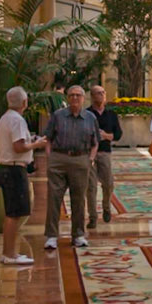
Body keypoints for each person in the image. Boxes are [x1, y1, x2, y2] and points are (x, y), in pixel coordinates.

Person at [43, 84, 98, 252]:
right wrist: (50, 157)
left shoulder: (90, 118)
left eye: (78, 95)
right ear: (67, 98)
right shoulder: (58, 116)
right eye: (72, 95)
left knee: (79, 199)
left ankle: (78, 235)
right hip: (58, 159)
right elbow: (48, 138)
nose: (75, 98)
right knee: (54, 198)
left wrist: (90, 159)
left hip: (81, 159)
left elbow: (95, 142)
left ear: (83, 99)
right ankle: (52, 236)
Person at [0, 85, 46, 264]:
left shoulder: (6, 118)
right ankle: (9, 254)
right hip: (15, 169)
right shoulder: (17, 120)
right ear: (25, 102)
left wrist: (30, 141)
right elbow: (18, 147)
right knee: (14, 213)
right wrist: (36, 145)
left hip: (8, 168)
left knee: (12, 212)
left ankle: (9, 252)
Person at [86, 83, 122, 229]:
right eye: (97, 93)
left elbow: (118, 134)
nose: (101, 96)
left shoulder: (111, 115)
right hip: (89, 154)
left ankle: (106, 207)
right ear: (92, 96)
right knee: (91, 187)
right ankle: (93, 217)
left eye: (102, 93)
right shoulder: (87, 114)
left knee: (108, 184)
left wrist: (107, 136)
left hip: (105, 153)